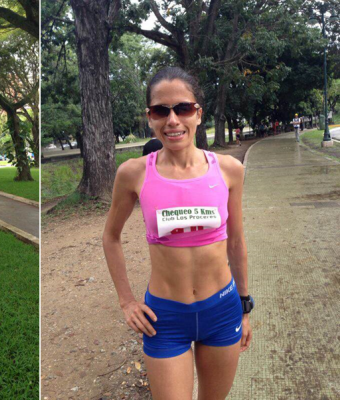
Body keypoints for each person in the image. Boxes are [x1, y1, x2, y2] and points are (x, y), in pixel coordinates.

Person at [103, 67, 254, 399]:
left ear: (198, 114)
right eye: (161, 110)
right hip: (165, 317)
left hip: (222, 310)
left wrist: (244, 308)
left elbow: (236, 242)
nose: (172, 120)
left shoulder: (229, 170)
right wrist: (126, 301)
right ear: (150, 118)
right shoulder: (133, 173)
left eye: (183, 108)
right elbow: (110, 237)